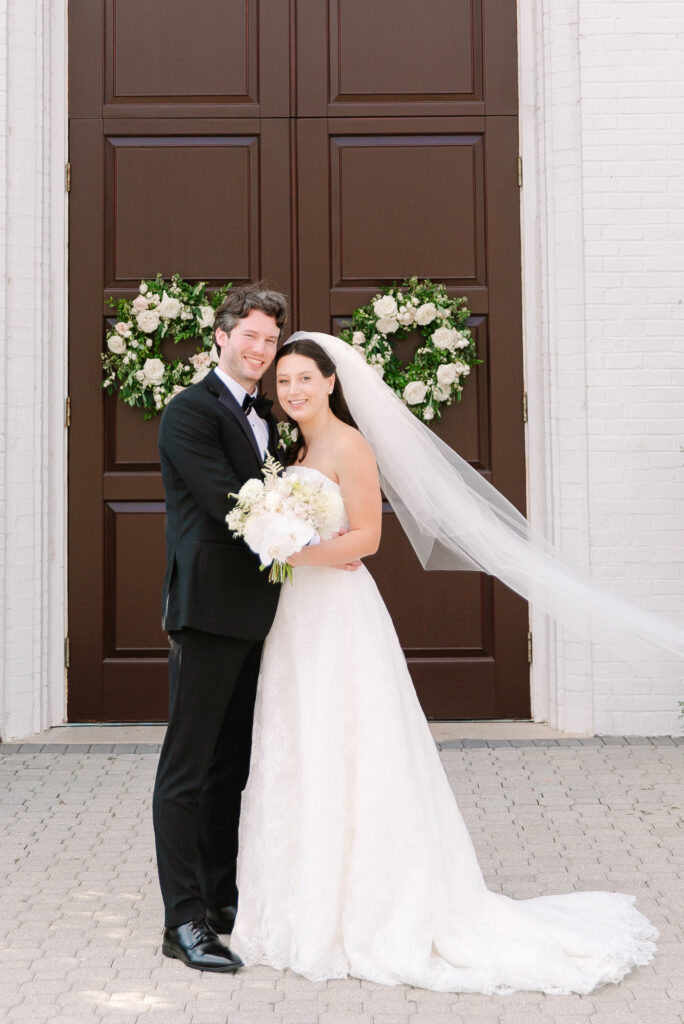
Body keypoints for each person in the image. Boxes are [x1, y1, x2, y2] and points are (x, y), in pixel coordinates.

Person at [229, 332, 684, 994]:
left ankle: (371, 906)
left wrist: (289, 549)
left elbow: (368, 537)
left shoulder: (350, 445)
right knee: (302, 745)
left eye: (304, 378)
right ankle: (301, 903)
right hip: (298, 617)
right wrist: (274, 533)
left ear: (332, 382)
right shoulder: (289, 448)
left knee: (353, 745)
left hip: (340, 614)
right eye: (284, 381)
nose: (292, 390)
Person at [151, 283, 288, 973]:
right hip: (207, 610)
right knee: (188, 767)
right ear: (222, 335)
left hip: (258, 614)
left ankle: (220, 901)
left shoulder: (268, 415)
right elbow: (231, 504)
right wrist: (311, 532)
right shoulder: (189, 412)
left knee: (228, 768)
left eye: (270, 341)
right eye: (251, 337)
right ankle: (182, 923)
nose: (260, 351)